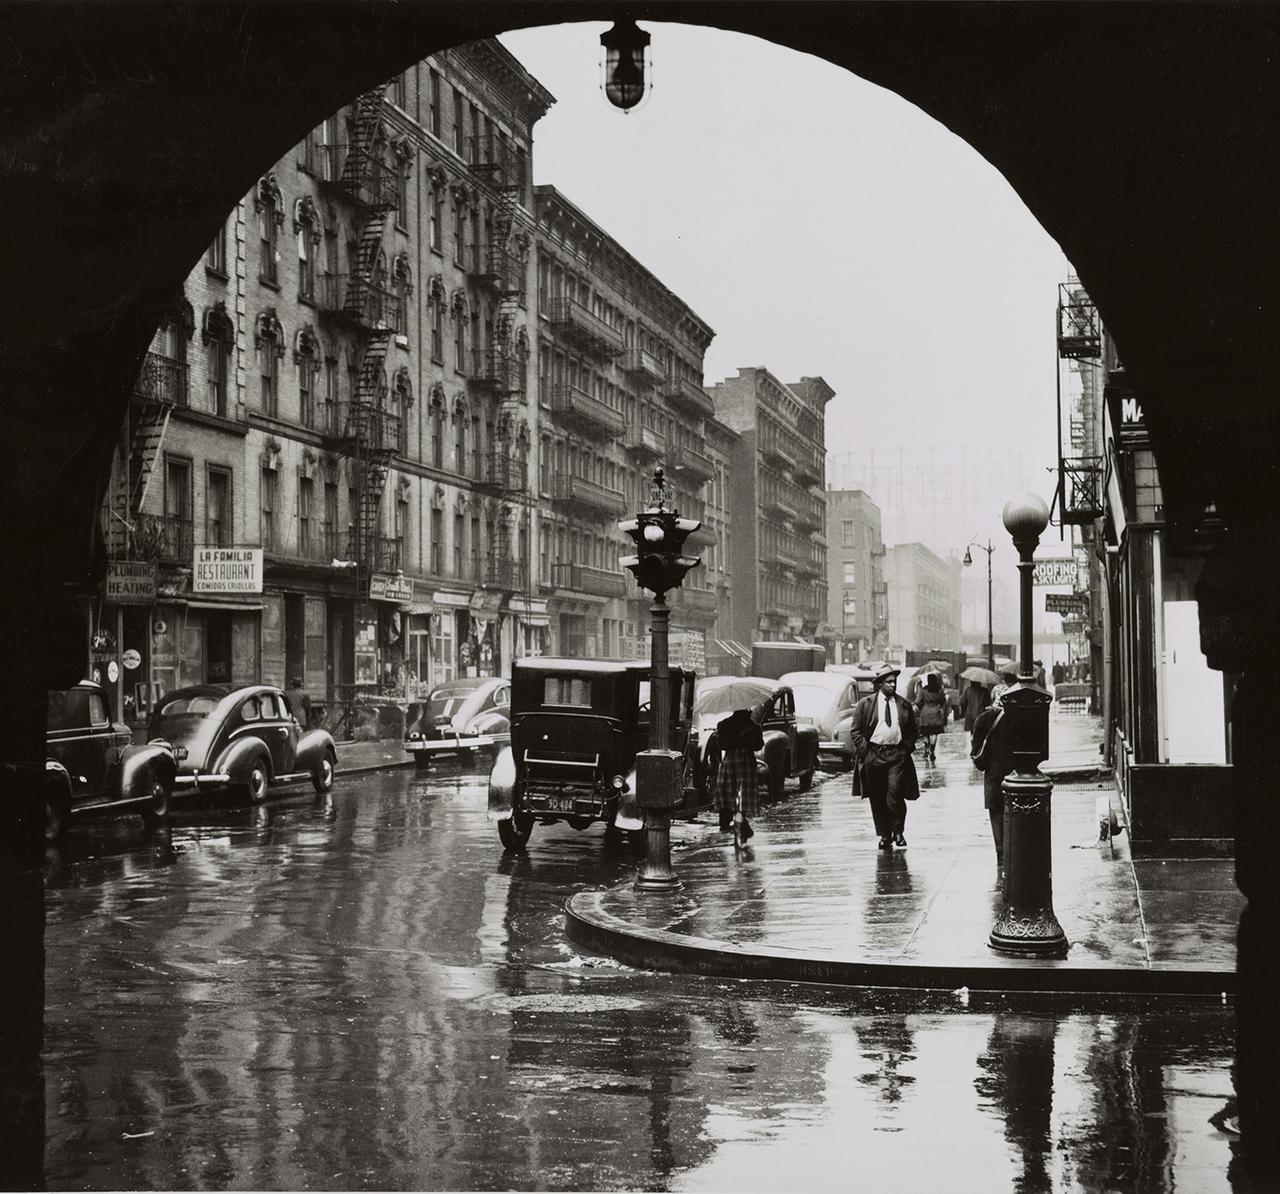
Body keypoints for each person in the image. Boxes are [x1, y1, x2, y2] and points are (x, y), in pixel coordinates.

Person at [850, 663, 920, 850]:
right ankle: (885, 835)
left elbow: (913, 731)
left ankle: (898, 831)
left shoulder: (903, 704)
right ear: (880, 683)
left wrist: (906, 748)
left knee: (895, 795)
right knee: (878, 797)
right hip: (874, 754)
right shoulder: (866, 704)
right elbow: (855, 730)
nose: (893, 685)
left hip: (897, 755)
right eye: (889, 682)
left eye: (894, 682)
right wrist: (865, 750)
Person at [970, 683, 1015, 865]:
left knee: (995, 813)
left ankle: (1000, 852)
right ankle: (1013, 848)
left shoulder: (983, 719)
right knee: (1012, 812)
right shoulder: (1016, 718)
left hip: (993, 773)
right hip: (1014, 773)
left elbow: (976, 750)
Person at [713, 707, 764, 844]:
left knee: (735, 797)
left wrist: (746, 737)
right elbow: (721, 744)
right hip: (742, 762)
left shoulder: (752, 726)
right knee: (737, 797)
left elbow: (758, 744)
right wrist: (739, 736)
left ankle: (741, 828)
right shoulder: (726, 725)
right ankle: (742, 827)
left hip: (734, 763)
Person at [913, 671, 948, 764]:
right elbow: (943, 701)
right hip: (936, 712)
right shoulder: (940, 690)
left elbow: (918, 701)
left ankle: (926, 748)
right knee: (934, 733)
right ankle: (932, 750)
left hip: (925, 712)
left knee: (925, 732)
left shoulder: (923, 690)